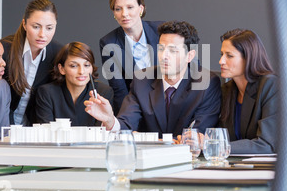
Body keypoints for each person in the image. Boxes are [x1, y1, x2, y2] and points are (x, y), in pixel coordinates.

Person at [86, 21, 222, 138]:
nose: (164, 56)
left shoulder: (206, 83)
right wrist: (110, 120)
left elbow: (197, 136)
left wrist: (147, 139)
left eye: (173, 51)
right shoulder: (142, 79)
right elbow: (126, 124)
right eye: (161, 49)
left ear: (190, 56)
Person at [99, 0, 164, 114]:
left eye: (130, 7)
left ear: (141, 8)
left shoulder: (162, 30)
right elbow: (119, 90)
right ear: (113, 13)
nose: (124, 14)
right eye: (118, 9)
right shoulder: (108, 43)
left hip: (170, 103)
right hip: (136, 108)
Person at [1, 0, 63, 125]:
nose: (42, 34)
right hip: (1, 125)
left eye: (49, 28)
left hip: (35, 128)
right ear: (24, 24)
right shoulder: (4, 48)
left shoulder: (58, 53)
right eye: (36, 27)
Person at [218, 29, 278, 154]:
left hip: (262, 170)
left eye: (229, 55)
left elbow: (267, 144)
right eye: (222, 54)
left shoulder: (270, 85)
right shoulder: (227, 90)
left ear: (249, 58)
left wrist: (217, 147)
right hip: (234, 167)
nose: (221, 61)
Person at [35, 42, 113, 126]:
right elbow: (45, 133)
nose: (82, 72)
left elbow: (104, 133)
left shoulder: (103, 92)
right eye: (74, 66)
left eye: (86, 65)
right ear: (61, 69)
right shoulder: (47, 93)